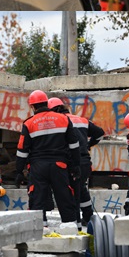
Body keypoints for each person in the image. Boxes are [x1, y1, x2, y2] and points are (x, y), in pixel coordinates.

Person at [16, 92, 80, 227]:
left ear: (32, 107)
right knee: (64, 196)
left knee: (38, 197)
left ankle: (39, 227)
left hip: (38, 167)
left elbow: (22, 150)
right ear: (47, 103)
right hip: (60, 165)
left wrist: (18, 171)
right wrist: (76, 165)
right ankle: (70, 227)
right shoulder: (63, 119)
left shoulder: (29, 123)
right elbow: (74, 145)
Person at [49, 97, 104, 226]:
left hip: (71, 163)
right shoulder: (82, 120)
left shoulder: (59, 122)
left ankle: (76, 224)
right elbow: (100, 133)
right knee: (80, 189)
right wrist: (89, 144)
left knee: (71, 193)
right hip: (85, 162)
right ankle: (88, 216)